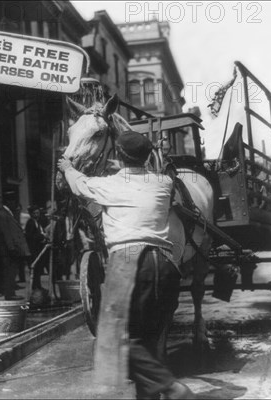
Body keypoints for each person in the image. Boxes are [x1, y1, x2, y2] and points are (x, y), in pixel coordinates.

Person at [57, 131, 194, 399]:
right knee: (149, 342)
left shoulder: (109, 185)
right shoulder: (165, 183)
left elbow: (79, 184)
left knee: (119, 340)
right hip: (165, 264)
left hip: (131, 264)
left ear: (118, 157)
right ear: (147, 157)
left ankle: (171, 387)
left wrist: (68, 168)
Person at [0, 194, 29, 301]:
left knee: (12, 271)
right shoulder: (3, 214)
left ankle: (11, 293)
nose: (15, 204)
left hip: (11, 248)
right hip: (8, 249)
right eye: (13, 201)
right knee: (10, 272)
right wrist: (11, 248)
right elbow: (6, 233)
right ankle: (10, 294)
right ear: (8, 202)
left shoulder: (8, 213)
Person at [25, 205, 48, 290]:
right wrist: (42, 236)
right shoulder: (31, 223)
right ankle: (35, 286)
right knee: (35, 269)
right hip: (34, 249)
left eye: (38, 213)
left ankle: (38, 285)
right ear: (31, 214)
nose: (37, 215)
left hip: (38, 248)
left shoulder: (37, 222)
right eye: (34, 213)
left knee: (38, 269)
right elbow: (31, 236)